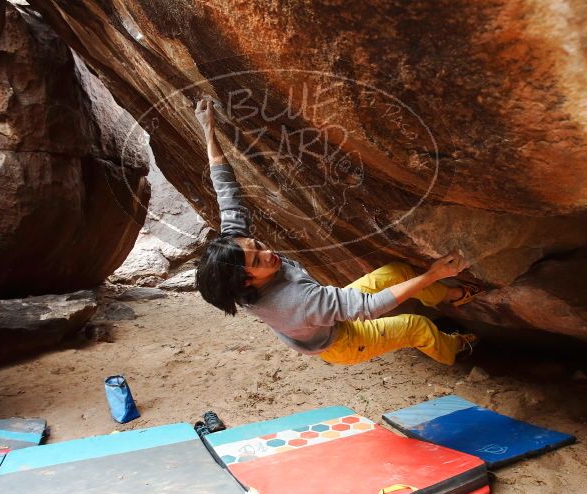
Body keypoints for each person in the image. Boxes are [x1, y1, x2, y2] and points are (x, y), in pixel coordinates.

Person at [193, 96, 480, 366]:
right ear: (246, 283)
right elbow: (368, 307)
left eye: (257, 246)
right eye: (257, 261)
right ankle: (458, 349)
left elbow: (226, 191)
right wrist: (433, 273)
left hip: (326, 316)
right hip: (340, 342)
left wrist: (208, 130)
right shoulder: (296, 302)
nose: (267, 253)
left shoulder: (236, 251)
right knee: (417, 326)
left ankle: (450, 296)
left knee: (398, 272)